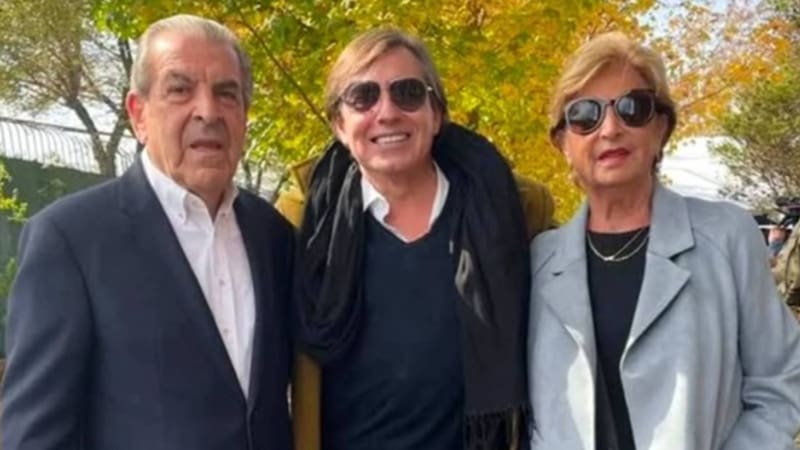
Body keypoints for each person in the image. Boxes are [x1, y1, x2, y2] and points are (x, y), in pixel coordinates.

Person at [1, 14, 294, 450]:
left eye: (226, 93)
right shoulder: (70, 241)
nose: (208, 111)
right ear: (138, 114)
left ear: (244, 115)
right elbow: (34, 437)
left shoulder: (273, 236)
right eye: (180, 90)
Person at [527, 31, 800, 449]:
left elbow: (781, 380)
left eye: (633, 108)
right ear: (563, 142)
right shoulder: (540, 261)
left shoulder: (726, 237)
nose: (610, 128)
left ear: (661, 128)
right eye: (584, 115)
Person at [287, 28, 553, 450]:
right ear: (339, 124)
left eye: (408, 93)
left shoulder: (513, 212)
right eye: (363, 97)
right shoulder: (300, 227)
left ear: (436, 114)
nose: (387, 112)